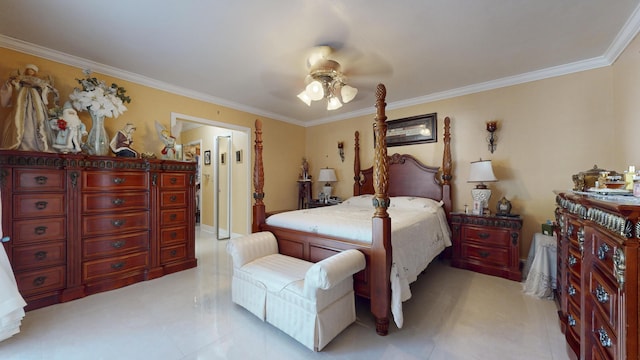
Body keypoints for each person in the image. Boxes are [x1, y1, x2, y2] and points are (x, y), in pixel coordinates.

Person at [0, 64, 59, 151]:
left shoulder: (37, 81)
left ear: (35, 72)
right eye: (29, 69)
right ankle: (21, 141)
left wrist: (45, 88)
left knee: (37, 116)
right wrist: (15, 84)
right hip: (22, 97)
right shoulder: (21, 78)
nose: (30, 71)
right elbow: (16, 86)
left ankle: (37, 142)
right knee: (20, 115)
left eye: (32, 70)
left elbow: (44, 89)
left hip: (35, 98)